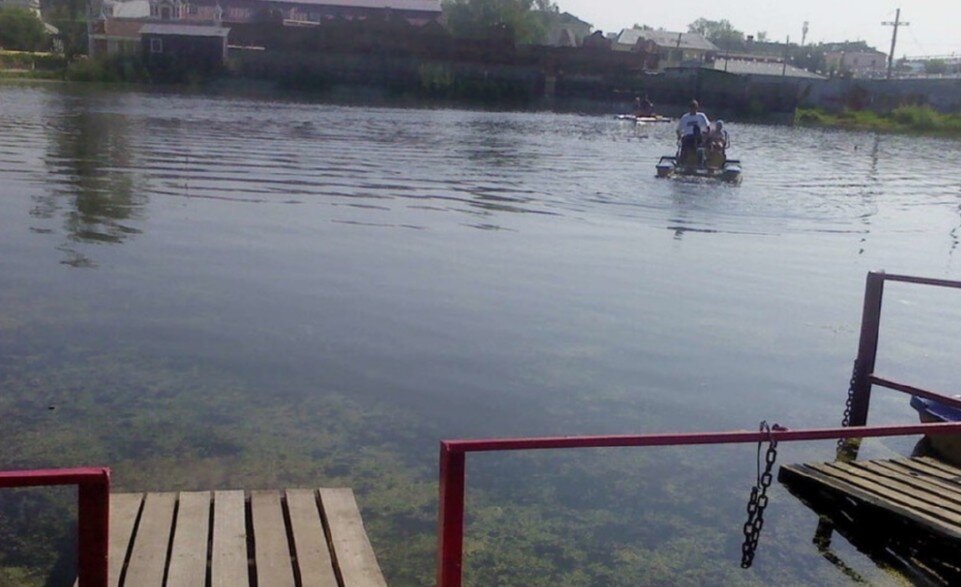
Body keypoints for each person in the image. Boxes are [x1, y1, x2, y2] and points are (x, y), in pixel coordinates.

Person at [676, 100, 710, 166]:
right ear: (689, 108)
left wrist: (706, 136)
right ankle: (682, 162)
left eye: (695, 108)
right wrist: (679, 136)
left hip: (698, 137)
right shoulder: (685, 117)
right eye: (692, 107)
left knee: (697, 133)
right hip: (687, 137)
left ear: (697, 108)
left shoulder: (701, 116)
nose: (693, 109)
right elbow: (678, 130)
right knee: (685, 143)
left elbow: (708, 127)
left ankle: (701, 162)